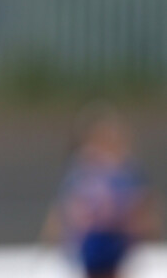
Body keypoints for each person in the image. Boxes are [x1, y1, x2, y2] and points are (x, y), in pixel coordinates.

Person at [41, 101, 162, 278]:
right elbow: (65, 210)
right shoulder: (81, 171)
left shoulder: (126, 171)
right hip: (91, 244)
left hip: (117, 243)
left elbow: (143, 208)